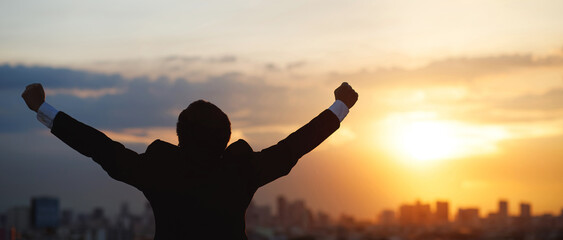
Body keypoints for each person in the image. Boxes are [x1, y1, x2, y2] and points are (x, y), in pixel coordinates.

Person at [22, 82, 358, 239]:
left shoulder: (158, 171)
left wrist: (43, 108)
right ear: (226, 138)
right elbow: (293, 147)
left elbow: (100, 147)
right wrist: (339, 107)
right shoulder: (240, 171)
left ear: (180, 135)